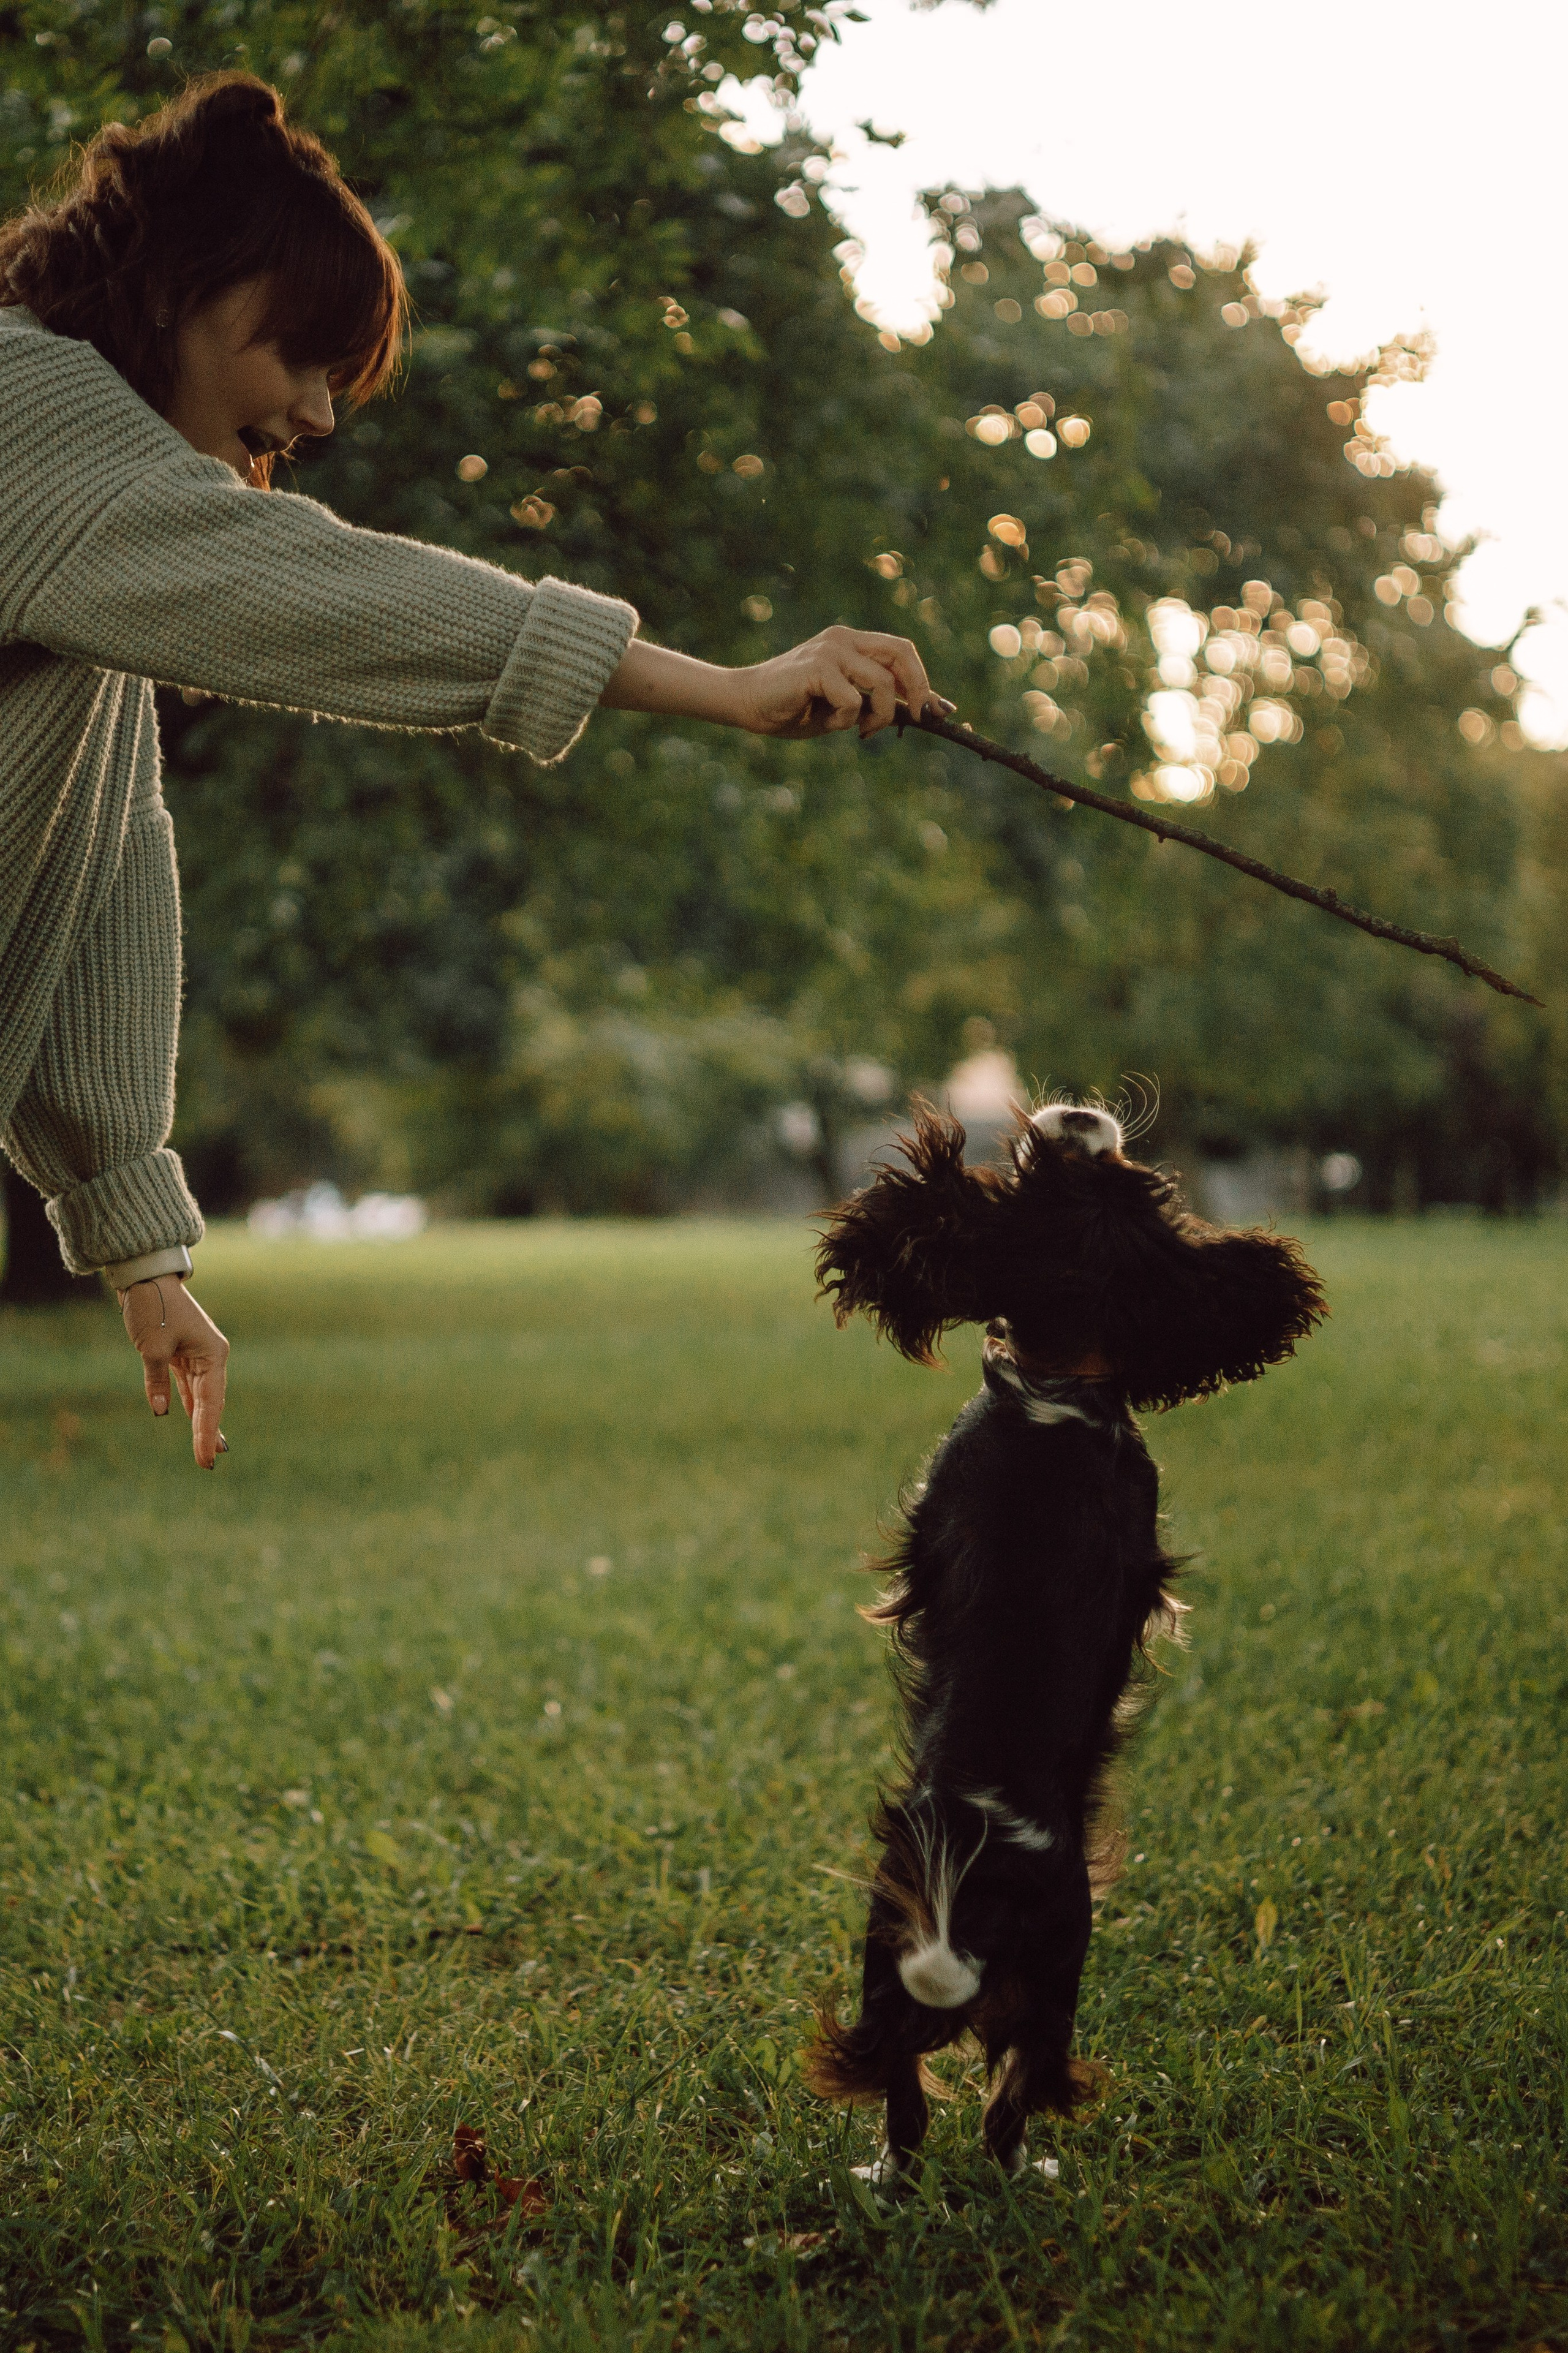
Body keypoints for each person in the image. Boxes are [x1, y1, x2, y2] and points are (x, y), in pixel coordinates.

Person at [0, 73, 946, 1470]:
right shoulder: (30, 413)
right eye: (304, 357)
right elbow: (328, 590)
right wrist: (726, 688)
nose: (317, 418)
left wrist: (141, 1248)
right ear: (184, 290)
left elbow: (102, 877)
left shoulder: (92, 525)